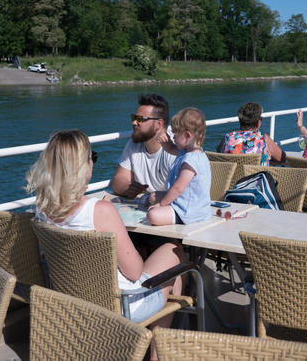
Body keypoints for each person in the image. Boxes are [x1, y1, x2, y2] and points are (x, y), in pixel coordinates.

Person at [28, 130, 184, 360]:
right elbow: (134, 272)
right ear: (83, 166)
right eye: (93, 157)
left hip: (72, 301)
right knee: (174, 251)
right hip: (121, 306)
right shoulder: (99, 211)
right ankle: (156, 354)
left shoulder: (41, 209)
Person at [148, 108, 211, 225]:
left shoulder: (191, 161)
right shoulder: (187, 151)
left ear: (188, 135)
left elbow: (178, 188)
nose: (173, 137)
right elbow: (171, 149)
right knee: (153, 196)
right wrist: (164, 142)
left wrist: (161, 205)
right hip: (185, 200)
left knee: (153, 215)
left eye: (176, 134)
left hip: (190, 210)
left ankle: (174, 216)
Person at [111, 94, 176, 198]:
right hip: (147, 202)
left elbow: (183, 193)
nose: (134, 122)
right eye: (134, 117)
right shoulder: (133, 144)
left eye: (140, 119)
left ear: (158, 124)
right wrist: (128, 189)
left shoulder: (176, 149)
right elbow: (118, 180)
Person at [218, 102, 286, 165]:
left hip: (233, 177)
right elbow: (282, 158)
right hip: (257, 177)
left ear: (240, 120)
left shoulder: (228, 138)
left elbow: (219, 155)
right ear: (259, 123)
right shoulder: (263, 140)